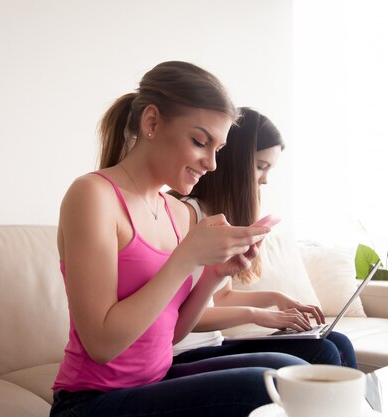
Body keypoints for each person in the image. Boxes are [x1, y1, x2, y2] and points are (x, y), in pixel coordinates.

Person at [50, 62, 307, 417]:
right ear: (152, 123)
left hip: (155, 380)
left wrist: (215, 275)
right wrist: (185, 258)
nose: (212, 164)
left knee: (288, 370)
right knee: (260, 386)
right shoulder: (93, 195)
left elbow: (171, 335)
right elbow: (102, 345)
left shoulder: (175, 212)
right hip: (90, 402)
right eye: (200, 142)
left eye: (218, 148)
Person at [171, 107, 358, 369]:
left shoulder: (217, 216)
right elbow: (176, 317)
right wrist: (259, 315)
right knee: (322, 352)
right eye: (260, 167)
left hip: (211, 344)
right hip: (184, 352)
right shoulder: (185, 214)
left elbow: (221, 297)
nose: (266, 179)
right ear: (234, 164)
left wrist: (275, 299)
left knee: (337, 341)